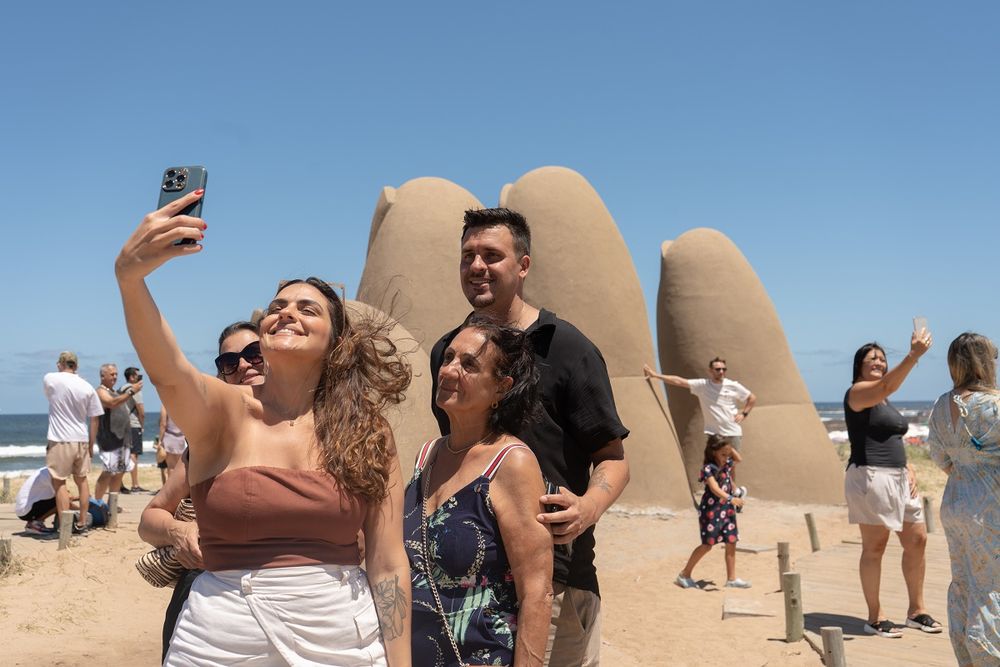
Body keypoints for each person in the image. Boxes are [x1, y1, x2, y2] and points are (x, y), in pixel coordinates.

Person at [116, 188, 411, 666]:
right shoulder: (224, 412)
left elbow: (387, 561)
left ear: (336, 342)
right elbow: (168, 369)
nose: (285, 313)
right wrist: (130, 279)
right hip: (220, 639)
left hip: (340, 637)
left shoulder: (366, 430)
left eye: (307, 308)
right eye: (277, 306)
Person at [430, 207, 630, 667]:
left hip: (555, 581)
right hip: (464, 584)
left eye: (491, 255)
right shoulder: (449, 352)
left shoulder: (566, 347)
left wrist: (588, 506)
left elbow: (614, 457)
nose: (477, 266)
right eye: (467, 256)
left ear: (523, 266)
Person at [408, 318, 553, 666]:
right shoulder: (426, 456)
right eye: (448, 358)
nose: (449, 370)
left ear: (501, 388)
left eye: (468, 364)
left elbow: (537, 591)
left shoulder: (511, 463)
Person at [139, 320, 266, 663]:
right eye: (229, 362)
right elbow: (149, 519)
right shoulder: (207, 446)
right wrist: (179, 530)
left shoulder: (320, 433)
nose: (242, 366)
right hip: (204, 605)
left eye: (254, 354)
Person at [844, 329, 942, 638]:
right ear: (859, 365)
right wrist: (913, 355)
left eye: (882, 358)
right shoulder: (858, 392)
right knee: (875, 546)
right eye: (871, 357)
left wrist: (908, 465)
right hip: (871, 476)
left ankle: (917, 611)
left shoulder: (885, 398)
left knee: (917, 540)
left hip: (899, 478)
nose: (878, 361)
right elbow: (886, 384)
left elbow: (889, 434)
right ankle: (874, 617)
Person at [926, 332, 1000, 664]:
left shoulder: (943, 404)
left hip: (955, 499)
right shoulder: (994, 404)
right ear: (984, 362)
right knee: (991, 586)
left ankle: (966, 656)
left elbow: (941, 459)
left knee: (963, 583)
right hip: (989, 504)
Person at [675, 434, 748, 589]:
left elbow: (739, 459)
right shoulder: (708, 469)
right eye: (722, 454)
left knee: (731, 541)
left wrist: (728, 445)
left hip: (726, 510)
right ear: (713, 452)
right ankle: (684, 574)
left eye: (727, 454)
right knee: (707, 545)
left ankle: (732, 579)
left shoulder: (727, 463)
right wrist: (731, 498)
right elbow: (714, 489)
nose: (726, 457)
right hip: (711, 511)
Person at [43, 350, 103, 533]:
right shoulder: (86, 386)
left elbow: (50, 394)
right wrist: (91, 444)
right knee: (82, 481)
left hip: (60, 438)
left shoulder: (51, 378)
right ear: (76, 366)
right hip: (81, 439)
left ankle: (65, 525)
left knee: (59, 482)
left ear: (60, 364)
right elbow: (94, 419)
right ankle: (83, 521)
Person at [643, 357, 756, 451]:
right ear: (710, 371)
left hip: (733, 432)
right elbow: (679, 381)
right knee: (713, 467)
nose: (721, 372)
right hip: (714, 433)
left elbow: (751, 397)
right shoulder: (703, 386)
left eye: (723, 369)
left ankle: (730, 479)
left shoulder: (733, 385)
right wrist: (656, 375)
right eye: (717, 369)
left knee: (730, 467)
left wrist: (744, 414)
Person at [94, 363, 139, 501]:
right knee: (108, 472)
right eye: (112, 374)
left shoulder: (114, 391)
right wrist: (131, 391)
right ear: (103, 376)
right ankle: (97, 503)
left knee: (119, 473)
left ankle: (112, 504)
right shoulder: (101, 391)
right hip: (109, 441)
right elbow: (112, 403)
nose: (115, 377)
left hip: (122, 440)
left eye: (116, 374)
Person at [122, 366, 148, 493]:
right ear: (132, 377)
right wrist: (142, 425)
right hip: (133, 424)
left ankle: (119, 484)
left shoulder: (122, 388)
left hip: (122, 425)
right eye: (138, 376)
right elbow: (141, 411)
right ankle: (135, 484)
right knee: (133, 454)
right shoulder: (135, 390)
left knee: (124, 454)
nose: (140, 379)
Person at [15, 466, 58, 535]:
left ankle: (33, 522)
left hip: (24, 509)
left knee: (60, 500)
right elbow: (66, 499)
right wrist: (80, 511)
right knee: (59, 502)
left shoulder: (45, 471)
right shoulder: (51, 474)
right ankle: (35, 523)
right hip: (26, 511)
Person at [158, 408, 186, 479]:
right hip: (181, 437)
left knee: (171, 466)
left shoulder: (165, 404)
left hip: (169, 437)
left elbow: (163, 424)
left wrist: (160, 440)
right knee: (180, 467)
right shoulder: (181, 403)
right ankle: (179, 488)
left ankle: (172, 489)